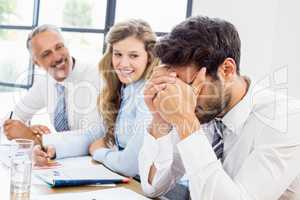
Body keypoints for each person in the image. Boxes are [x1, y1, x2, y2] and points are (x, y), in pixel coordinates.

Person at [139, 16, 300, 199]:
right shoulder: (203, 111)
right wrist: (159, 118)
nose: (182, 98)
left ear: (227, 70)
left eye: (190, 86)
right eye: (177, 88)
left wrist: (187, 123)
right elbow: (153, 187)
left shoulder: (286, 119)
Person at [34, 19, 159, 177]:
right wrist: (49, 146)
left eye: (134, 55)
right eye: (118, 54)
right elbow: (97, 133)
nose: (123, 64)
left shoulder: (150, 94)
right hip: (130, 183)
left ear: (149, 56)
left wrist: (99, 152)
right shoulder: (124, 87)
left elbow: (130, 165)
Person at [2, 24, 100, 146]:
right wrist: (26, 128)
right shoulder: (45, 82)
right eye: (46, 54)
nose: (57, 57)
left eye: (59, 47)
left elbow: (92, 137)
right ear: (36, 63)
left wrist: (34, 139)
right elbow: (11, 120)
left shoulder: (96, 76)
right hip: (65, 160)